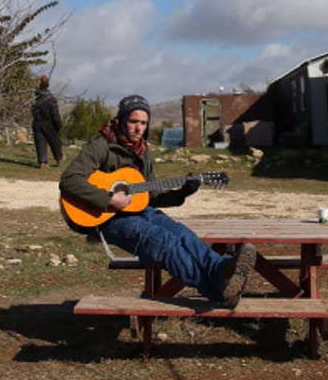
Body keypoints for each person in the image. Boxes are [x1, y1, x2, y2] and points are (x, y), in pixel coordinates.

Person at [59, 94, 254, 307]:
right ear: (122, 120)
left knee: (182, 233)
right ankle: (218, 290)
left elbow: (150, 195)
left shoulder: (143, 152)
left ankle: (222, 269)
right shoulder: (101, 145)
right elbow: (69, 180)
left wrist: (182, 193)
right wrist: (108, 198)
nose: (138, 128)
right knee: (164, 242)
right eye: (133, 121)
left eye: (143, 123)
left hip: (139, 211)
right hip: (108, 220)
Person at [31, 75, 64, 168]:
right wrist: (58, 125)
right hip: (49, 123)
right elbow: (55, 115)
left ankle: (42, 161)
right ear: (48, 85)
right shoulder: (51, 99)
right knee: (55, 142)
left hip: (37, 123)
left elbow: (32, 111)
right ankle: (59, 159)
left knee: (40, 142)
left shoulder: (35, 98)